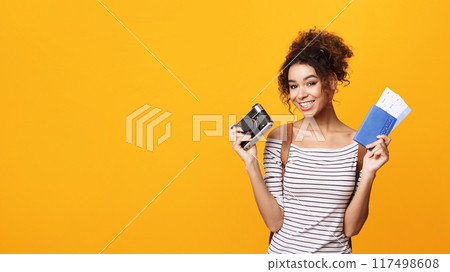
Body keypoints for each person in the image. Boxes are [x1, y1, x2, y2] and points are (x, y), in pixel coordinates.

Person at [229, 28, 391, 253]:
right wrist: (250, 163)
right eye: (293, 86)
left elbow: (351, 228)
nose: (300, 94)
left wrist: (370, 172)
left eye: (310, 83)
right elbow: (274, 222)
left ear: (331, 82)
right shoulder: (281, 138)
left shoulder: (359, 145)